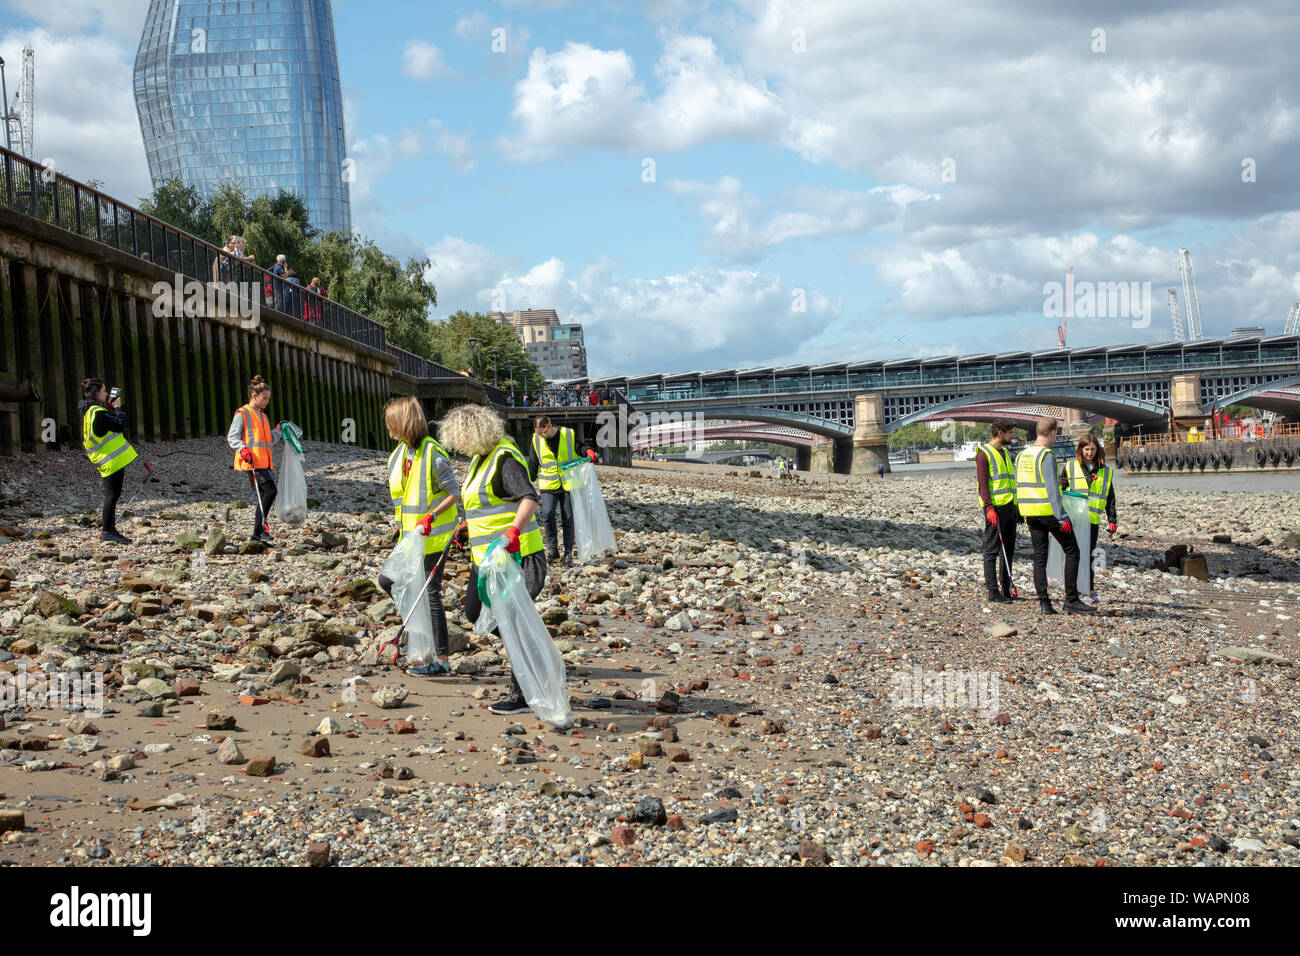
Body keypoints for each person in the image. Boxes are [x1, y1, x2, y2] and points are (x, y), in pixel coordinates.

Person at [439, 404, 548, 716]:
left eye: (459, 439)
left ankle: (523, 694)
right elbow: (482, 505)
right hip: (487, 559)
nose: (458, 446)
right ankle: (534, 652)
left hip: (519, 555)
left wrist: (514, 530)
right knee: (475, 612)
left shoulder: (505, 458)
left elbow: (529, 497)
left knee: (511, 621)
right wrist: (466, 526)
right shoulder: (479, 460)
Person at [379, 396, 463, 676]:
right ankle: (422, 636)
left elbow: (454, 493)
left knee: (430, 595)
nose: (388, 427)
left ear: (403, 422)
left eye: (391, 422)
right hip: (410, 536)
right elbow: (405, 498)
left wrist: (432, 516)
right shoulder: (400, 454)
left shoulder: (433, 454)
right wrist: (400, 525)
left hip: (435, 537)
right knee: (387, 581)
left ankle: (440, 658)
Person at [1014, 417, 1094, 615]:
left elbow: (1020, 484)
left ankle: (1044, 603)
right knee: (1073, 551)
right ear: (1052, 433)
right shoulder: (1046, 455)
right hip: (1048, 512)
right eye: (1056, 433)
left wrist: (1020, 511)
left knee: (1040, 558)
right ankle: (1072, 600)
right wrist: (1062, 517)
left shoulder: (1022, 455)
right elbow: (1052, 489)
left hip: (1030, 513)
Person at [527, 415, 597, 565]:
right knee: (547, 514)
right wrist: (527, 480)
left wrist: (588, 451)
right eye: (538, 433)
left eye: (543, 432)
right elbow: (533, 462)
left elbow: (579, 447)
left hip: (568, 484)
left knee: (568, 518)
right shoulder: (536, 439)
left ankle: (568, 553)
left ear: (549, 426)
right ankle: (552, 550)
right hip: (548, 485)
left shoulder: (567, 434)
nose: (541, 436)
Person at [78, 378, 138, 544]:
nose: (106, 394)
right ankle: (107, 531)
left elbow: (105, 426)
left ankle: (109, 530)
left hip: (104, 459)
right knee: (112, 495)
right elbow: (120, 425)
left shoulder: (90, 411)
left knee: (112, 494)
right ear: (97, 393)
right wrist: (118, 409)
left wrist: (112, 410)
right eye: (104, 391)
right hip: (111, 460)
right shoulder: (98, 413)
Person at [227, 375, 284, 544]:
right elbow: (232, 437)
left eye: (268, 398)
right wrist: (242, 448)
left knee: (266, 493)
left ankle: (258, 533)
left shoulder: (263, 417)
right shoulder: (242, 413)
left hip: (263, 462)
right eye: (264, 398)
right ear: (254, 396)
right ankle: (258, 531)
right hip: (252, 462)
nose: (267, 401)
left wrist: (279, 430)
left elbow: (268, 441)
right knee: (270, 491)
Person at [1061, 433, 1117, 604]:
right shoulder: (1070, 467)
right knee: (1075, 555)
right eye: (1086, 449)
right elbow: (1059, 490)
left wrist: (1112, 519)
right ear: (1081, 449)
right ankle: (1076, 590)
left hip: (1092, 520)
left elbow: (1110, 496)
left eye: (1093, 449)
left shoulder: (1104, 471)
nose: (1089, 453)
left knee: (1090, 555)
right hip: (1074, 518)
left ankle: (1090, 589)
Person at [976, 419, 1019, 604]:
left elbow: (1009, 482)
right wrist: (988, 507)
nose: (1012, 436)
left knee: (1008, 550)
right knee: (992, 550)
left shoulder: (1005, 452)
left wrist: (1017, 508)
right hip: (995, 509)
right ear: (1000, 432)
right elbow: (983, 484)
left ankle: (1006, 588)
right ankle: (993, 591)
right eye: (1009, 432)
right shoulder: (984, 454)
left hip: (1010, 507)